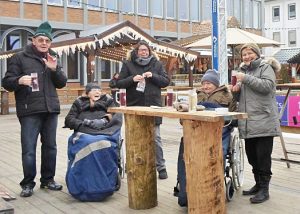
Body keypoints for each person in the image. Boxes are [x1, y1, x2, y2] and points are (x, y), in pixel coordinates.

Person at [2, 21, 67, 197]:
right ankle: (28, 183)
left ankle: (48, 180)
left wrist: (54, 70)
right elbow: (6, 82)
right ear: (34, 40)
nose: (44, 43)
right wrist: (18, 81)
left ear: (50, 42)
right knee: (29, 148)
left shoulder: (53, 57)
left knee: (51, 147)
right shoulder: (19, 57)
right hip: (29, 110)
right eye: (41, 40)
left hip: (50, 109)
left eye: (47, 40)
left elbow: (61, 83)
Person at [231, 43, 281, 204]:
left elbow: (267, 86)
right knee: (252, 156)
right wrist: (236, 92)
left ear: (257, 54)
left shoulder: (265, 68)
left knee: (263, 157)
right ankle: (258, 185)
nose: (246, 57)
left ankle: (265, 190)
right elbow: (244, 99)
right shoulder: (243, 71)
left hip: (264, 119)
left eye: (249, 53)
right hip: (249, 121)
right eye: (243, 55)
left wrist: (245, 79)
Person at [115, 40, 170, 179]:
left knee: (156, 137)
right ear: (136, 51)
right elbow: (119, 83)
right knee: (133, 136)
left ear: (149, 51)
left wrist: (154, 76)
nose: (143, 52)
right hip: (134, 105)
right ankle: (131, 164)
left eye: (146, 50)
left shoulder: (156, 64)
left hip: (154, 105)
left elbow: (166, 81)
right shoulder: (128, 64)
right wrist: (132, 79)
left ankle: (161, 167)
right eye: (141, 50)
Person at [197, 69, 237, 163]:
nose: (205, 86)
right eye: (203, 83)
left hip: (221, 128)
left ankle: (217, 175)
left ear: (216, 84)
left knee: (218, 150)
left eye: (208, 83)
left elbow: (234, 117)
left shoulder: (227, 95)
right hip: (199, 127)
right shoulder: (196, 95)